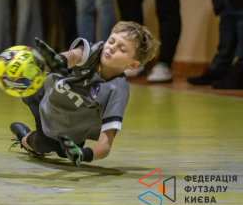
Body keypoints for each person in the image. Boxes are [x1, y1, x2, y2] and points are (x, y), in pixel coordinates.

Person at [10, 21, 160, 166]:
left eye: (122, 49)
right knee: (41, 141)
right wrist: (60, 60)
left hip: (67, 127)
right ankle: (25, 137)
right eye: (111, 41)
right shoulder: (94, 53)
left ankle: (39, 139)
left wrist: (83, 154)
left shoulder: (117, 91)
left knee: (61, 150)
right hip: (44, 95)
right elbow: (75, 55)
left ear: (132, 65)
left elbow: (105, 145)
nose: (112, 48)